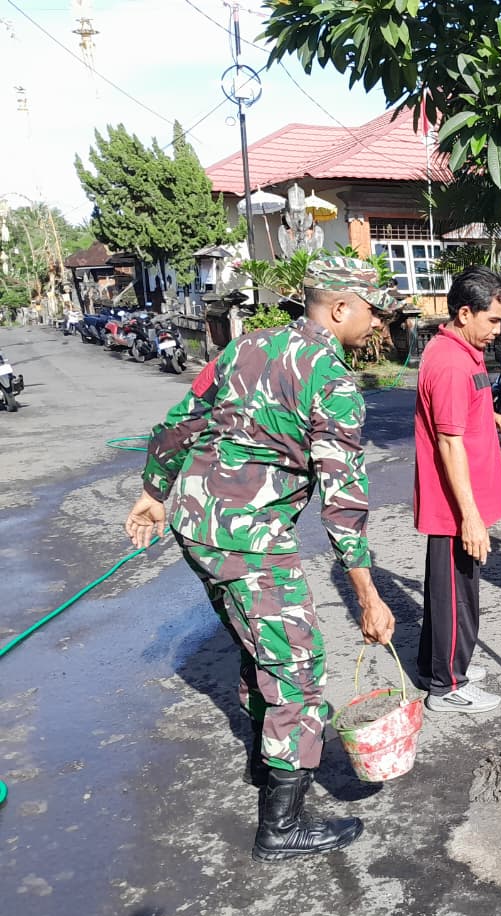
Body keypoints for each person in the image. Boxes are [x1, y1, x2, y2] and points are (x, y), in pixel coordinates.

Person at [123, 255, 398, 861]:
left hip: (198, 524)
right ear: (340, 307)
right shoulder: (332, 378)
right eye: (373, 309)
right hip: (250, 539)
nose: (378, 321)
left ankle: (263, 761)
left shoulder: (246, 346)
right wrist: (368, 596)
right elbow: (343, 500)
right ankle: (281, 826)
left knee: (260, 645)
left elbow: (182, 421)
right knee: (299, 670)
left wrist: (154, 491)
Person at [413, 266, 501, 713]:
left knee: (449, 592)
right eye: (492, 320)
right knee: (457, 598)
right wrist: (470, 518)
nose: (497, 330)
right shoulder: (450, 363)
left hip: (465, 499)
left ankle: (435, 667)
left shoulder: (464, 351)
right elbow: (448, 440)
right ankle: (447, 686)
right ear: (464, 313)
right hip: (455, 506)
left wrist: (498, 419)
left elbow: (463, 410)